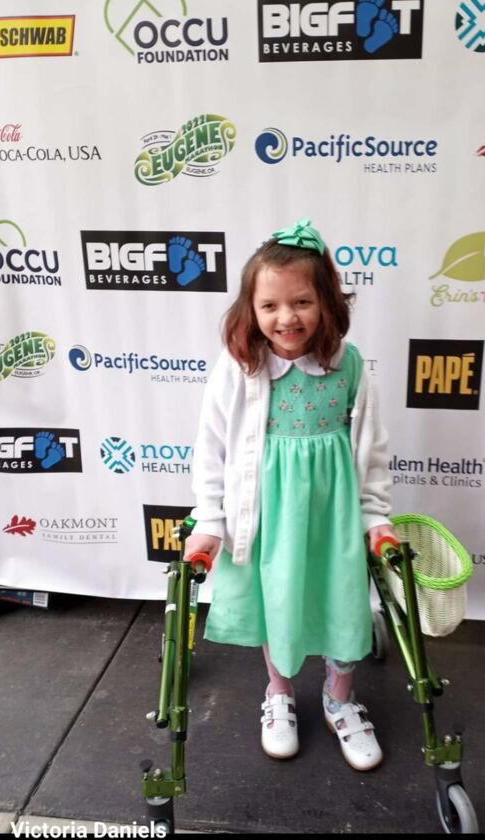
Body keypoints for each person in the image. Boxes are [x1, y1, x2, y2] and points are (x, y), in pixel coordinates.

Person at [184, 218, 396, 771]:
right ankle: (278, 692)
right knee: (276, 600)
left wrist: (375, 517)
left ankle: (339, 698)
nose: (287, 318)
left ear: (326, 302)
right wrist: (210, 519)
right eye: (270, 305)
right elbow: (212, 447)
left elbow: (371, 449)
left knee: (341, 601)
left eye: (302, 301)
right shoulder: (240, 366)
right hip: (267, 515)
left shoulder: (348, 366)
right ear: (250, 310)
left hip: (332, 515)